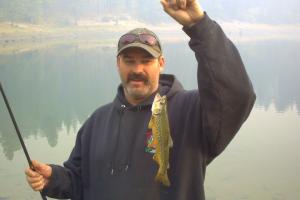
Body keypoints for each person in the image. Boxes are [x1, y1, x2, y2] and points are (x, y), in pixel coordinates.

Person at [25, 0, 256, 200]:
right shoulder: (96, 122)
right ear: (118, 64)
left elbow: (237, 95)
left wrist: (199, 26)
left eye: (146, 60)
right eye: (129, 60)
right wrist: (53, 178)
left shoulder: (192, 112)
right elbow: (78, 180)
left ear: (161, 63)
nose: (137, 69)